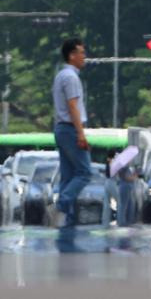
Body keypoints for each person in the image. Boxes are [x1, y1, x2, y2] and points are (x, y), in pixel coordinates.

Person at [52, 38, 91, 227]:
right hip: (69, 129)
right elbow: (73, 106)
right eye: (81, 53)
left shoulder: (61, 75)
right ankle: (61, 205)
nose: (84, 57)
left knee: (68, 175)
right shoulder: (70, 77)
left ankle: (68, 219)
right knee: (84, 172)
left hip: (62, 128)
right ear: (71, 55)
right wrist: (81, 133)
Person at [117, 162, 137, 226]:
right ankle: (122, 222)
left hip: (127, 187)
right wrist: (134, 176)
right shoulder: (124, 167)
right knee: (124, 205)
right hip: (125, 186)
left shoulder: (126, 168)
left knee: (129, 205)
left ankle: (127, 222)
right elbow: (127, 177)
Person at [102, 150, 118, 226]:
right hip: (112, 182)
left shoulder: (108, 161)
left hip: (106, 182)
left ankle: (105, 222)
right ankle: (121, 219)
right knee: (120, 201)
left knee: (106, 203)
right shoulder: (113, 162)